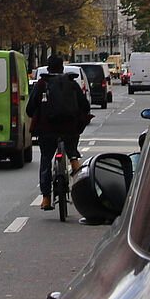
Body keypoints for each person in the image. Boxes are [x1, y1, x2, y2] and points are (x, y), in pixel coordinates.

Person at [26, 54, 90, 211]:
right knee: (71, 146)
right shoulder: (71, 83)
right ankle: (74, 161)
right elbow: (85, 106)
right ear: (62, 68)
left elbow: (29, 109)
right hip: (69, 129)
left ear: (48, 68)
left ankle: (46, 198)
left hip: (47, 131)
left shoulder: (41, 84)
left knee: (46, 159)